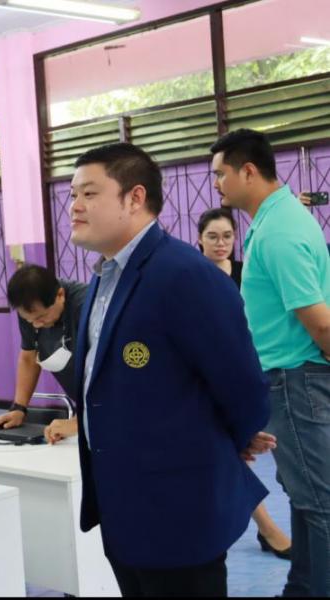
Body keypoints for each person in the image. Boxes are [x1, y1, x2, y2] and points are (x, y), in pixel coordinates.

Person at [70, 142, 274, 597]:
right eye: (72, 195)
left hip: (180, 513)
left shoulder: (184, 275)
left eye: (89, 193)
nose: (75, 206)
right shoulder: (105, 276)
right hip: (124, 509)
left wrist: (229, 440)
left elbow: (244, 388)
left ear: (135, 197)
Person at [211, 129, 330, 597]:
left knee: (319, 503)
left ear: (248, 172)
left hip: (295, 379)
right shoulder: (276, 218)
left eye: (221, 173)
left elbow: (318, 321)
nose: (216, 183)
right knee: (306, 498)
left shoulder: (279, 230)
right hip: (289, 377)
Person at [198, 206, 293, 560]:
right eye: (212, 236)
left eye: (227, 236)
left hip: (255, 369)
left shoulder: (247, 273)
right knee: (232, 452)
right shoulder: (192, 277)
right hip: (211, 378)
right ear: (199, 239)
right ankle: (267, 528)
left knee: (259, 447)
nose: (220, 243)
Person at [0, 264, 85, 440]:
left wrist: (80, 421)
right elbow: (29, 358)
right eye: (30, 320)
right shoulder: (30, 311)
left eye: (41, 317)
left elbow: (109, 371)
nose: (36, 324)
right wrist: (19, 408)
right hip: (87, 407)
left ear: (60, 295)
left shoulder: (86, 306)